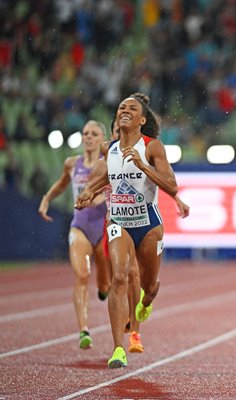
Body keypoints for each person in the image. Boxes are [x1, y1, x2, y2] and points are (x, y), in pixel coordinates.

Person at [75, 93, 180, 368]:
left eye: (132, 108)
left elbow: (171, 185)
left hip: (148, 227)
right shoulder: (109, 150)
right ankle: (118, 349)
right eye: (122, 107)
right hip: (118, 223)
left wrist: (143, 166)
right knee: (119, 278)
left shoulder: (152, 147)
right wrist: (87, 194)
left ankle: (145, 303)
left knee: (149, 286)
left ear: (142, 119)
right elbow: (97, 181)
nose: (125, 110)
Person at [38, 120, 112, 350]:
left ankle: (104, 289)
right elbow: (61, 184)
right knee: (81, 275)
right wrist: (47, 199)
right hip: (79, 226)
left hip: (102, 226)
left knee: (105, 283)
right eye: (85, 133)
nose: (88, 137)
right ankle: (84, 330)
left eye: (94, 134)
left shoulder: (108, 163)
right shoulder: (72, 163)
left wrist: (95, 198)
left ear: (102, 138)